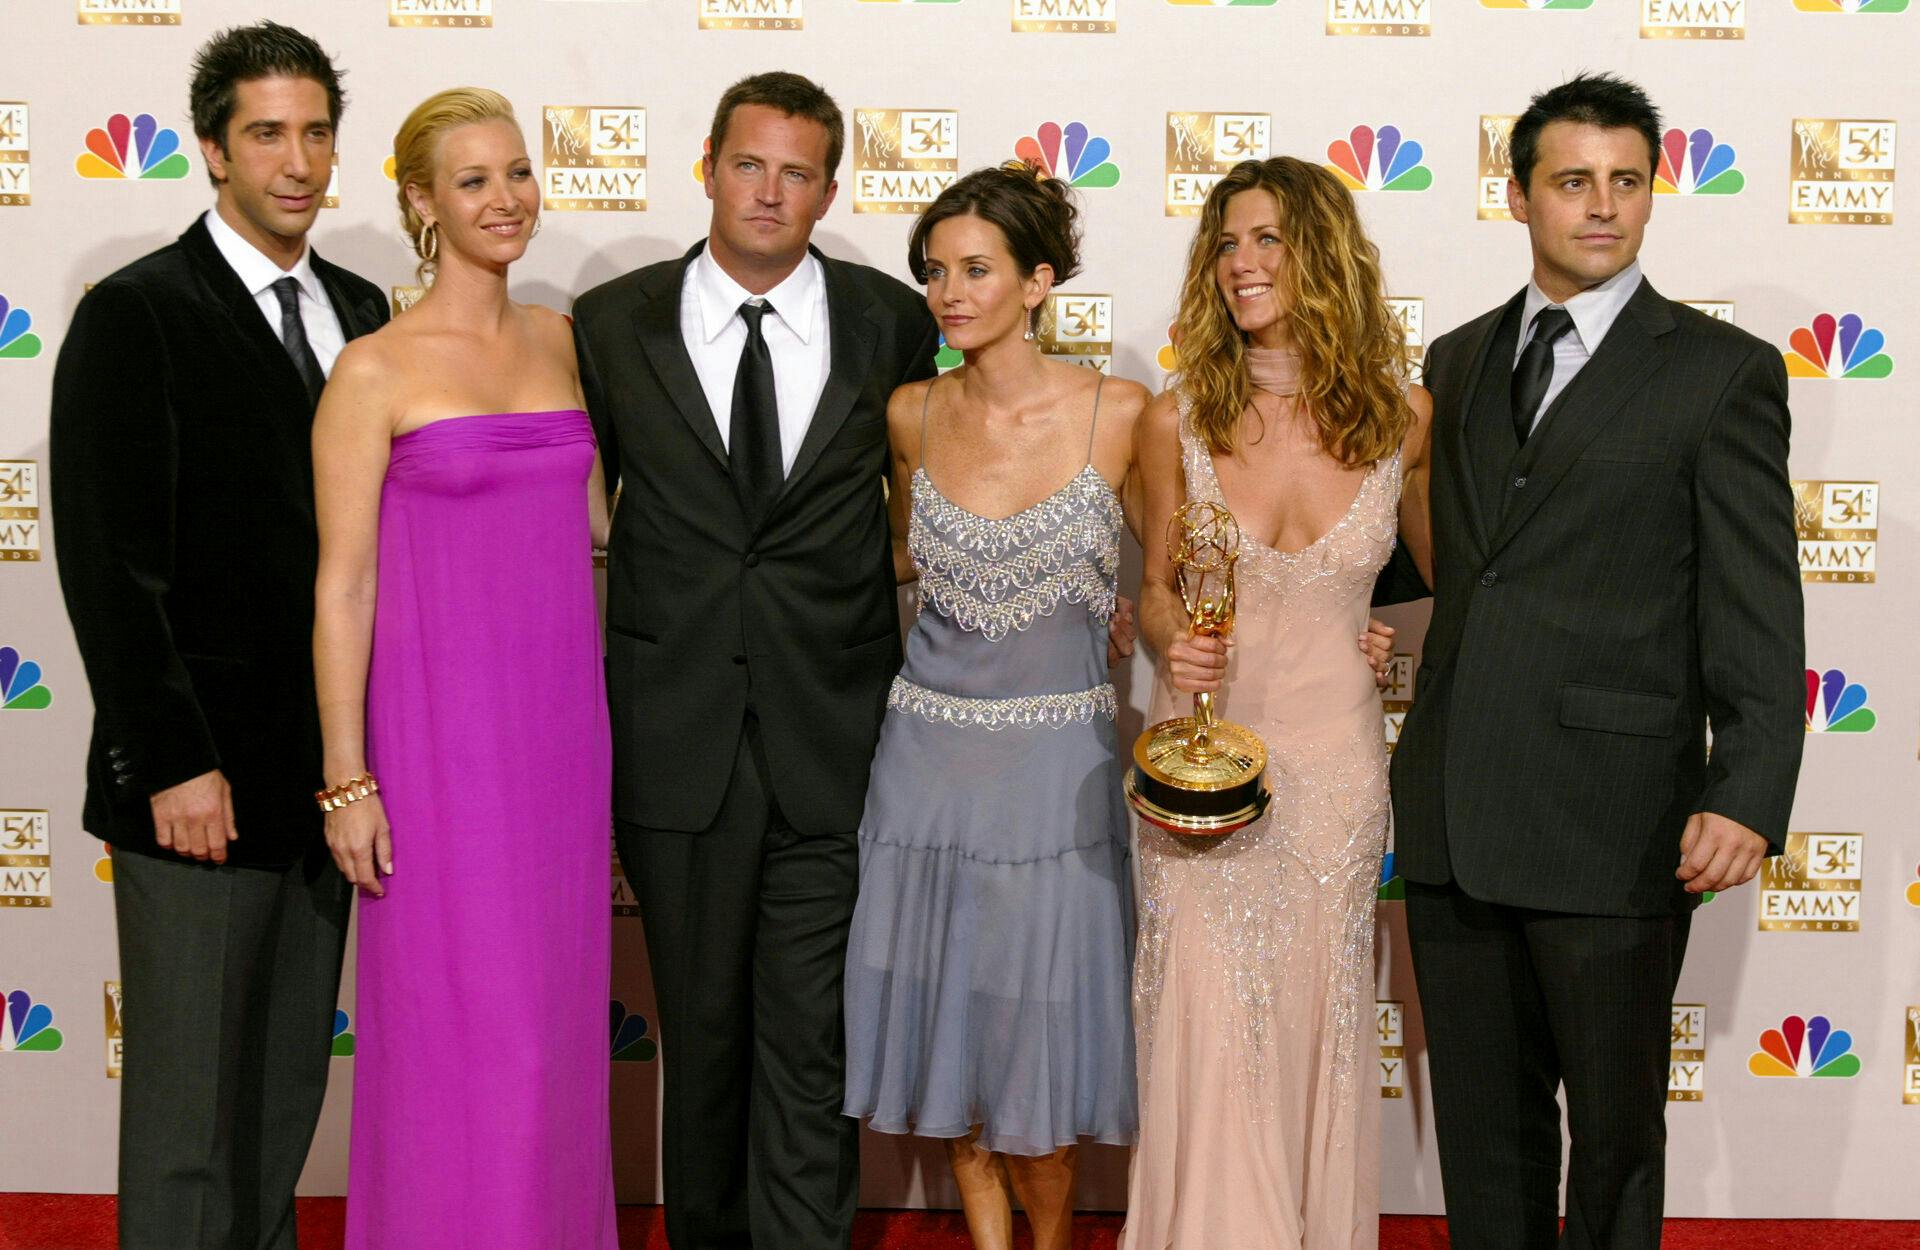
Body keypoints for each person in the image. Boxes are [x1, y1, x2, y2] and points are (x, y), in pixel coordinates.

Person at [1383, 73, 1803, 1250]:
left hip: (1614, 816)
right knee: (1482, 1129)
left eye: (1627, 181)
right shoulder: (1457, 361)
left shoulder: (1719, 371)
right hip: (1458, 802)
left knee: (1615, 1136)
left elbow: (1758, 605)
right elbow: (1436, 557)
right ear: (1519, 195)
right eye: (1574, 181)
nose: (1604, 206)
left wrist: (1749, 789)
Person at [571, 72, 939, 1250]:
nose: (769, 191)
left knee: (809, 1040)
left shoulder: (890, 318)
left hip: (835, 739)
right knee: (704, 1038)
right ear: (708, 167)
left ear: (831, 188)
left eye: (796, 171)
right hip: (676, 739)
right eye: (748, 164)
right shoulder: (610, 320)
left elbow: (937, 502)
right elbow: (570, 518)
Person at [48, 23, 385, 1250]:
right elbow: (106, 568)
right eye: (265, 134)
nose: (296, 161)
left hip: (326, 787)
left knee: (281, 1101)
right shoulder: (138, 313)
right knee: (190, 1120)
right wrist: (173, 763)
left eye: (314, 132)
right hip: (198, 790)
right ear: (209, 151)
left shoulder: (358, 310)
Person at [310, 88, 616, 1249]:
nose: (506, 198)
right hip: (437, 745)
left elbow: (595, 525)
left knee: (546, 1034)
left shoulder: (558, 337)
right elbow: (342, 585)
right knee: (458, 1032)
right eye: (474, 180)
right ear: (422, 203)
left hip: (559, 736)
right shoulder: (372, 370)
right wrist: (349, 776)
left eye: (519, 172)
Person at [1122, 156, 1433, 1250]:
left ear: (1324, 252)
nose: (1242, 263)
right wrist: (1173, 641)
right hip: (1205, 766)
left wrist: (1383, 626)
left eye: (1267, 239)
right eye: (1226, 241)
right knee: (1208, 1025)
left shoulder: (1407, 419)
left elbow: (1450, 580)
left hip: (1340, 767)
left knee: (1317, 1020)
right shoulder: (1178, 419)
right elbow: (1156, 591)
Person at [840, 164, 1145, 1250]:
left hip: (1056, 784)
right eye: (934, 272)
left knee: (1039, 1065)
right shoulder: (912, 413)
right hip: (922, 771)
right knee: (953, 1057)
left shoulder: (1121, 414)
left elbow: (1187, 588)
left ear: (1040, 280)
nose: (948, 292)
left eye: (976, 269)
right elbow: (890, 565)